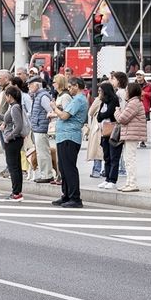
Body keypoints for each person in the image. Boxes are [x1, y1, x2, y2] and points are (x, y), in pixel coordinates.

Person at [53, 78, 88, 208]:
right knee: (63, 167)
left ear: (76, 86)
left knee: (69, 168)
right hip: (64, 136)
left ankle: (75, 197)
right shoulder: (76, 99)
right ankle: (66, 195)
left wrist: (54, 108)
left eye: (70, 86)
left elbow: (64, 116)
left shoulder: (79, 99)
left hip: (70, 136)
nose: (69, 89)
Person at [114, 82, 147, 192]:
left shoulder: (134, 103)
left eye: (127, 90)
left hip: (132, 134)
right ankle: (129, 182)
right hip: (130, 133)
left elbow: (122, 119)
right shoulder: (134, 102)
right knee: (128, 159)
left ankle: (132, 183)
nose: (126, 92)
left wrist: (117, 112)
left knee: (130, 159)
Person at [0, 85, 28, 201]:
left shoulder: (15, 107)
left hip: (13, 140)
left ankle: (16, 192)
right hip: (14, 139)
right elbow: (7, 119)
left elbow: (19, 125)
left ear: (9, 96)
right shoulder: (13, 106)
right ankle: (17, 192)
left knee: (13, 167)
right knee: (16, 166)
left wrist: (9, 137)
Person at [27, 76, 56, 183]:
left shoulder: (43, 96)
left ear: (37, 85)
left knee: (43, 153)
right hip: (38, 127)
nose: (28, 86)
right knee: (41, 152)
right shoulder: (38, 96)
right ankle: (45, 174)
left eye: (30, 84)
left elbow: (51, 111)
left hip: (41, 127)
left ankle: (47, 175)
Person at [94, 82, 122, 189]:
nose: (99, 92)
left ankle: (113, 179)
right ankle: (107, 178)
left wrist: (101, 115)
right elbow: (99, 117)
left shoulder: (114, 100)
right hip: (104, 132)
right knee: (106, 156)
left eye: (101, 90)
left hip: (113, 131)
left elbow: (108, 113)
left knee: (114, 156)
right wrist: (101, 115)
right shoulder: (102, 102)